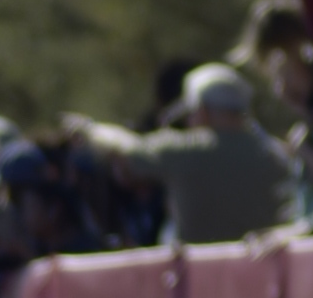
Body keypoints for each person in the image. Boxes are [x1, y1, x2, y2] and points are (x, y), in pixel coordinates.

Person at [64, 63, 294, 244]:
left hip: (201, 279)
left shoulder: (185, 151)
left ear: (203, 111)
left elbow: (128, 150)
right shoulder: (276, 155)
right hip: (266, 280)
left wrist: (90, 130)